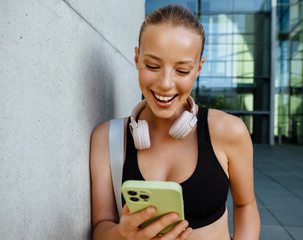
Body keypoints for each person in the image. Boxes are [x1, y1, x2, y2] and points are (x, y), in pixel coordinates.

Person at [90, 4, 260, 240]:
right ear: (137, 58)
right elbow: (101, 225)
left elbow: (246, 205)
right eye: (152, 66)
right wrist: (121, 235)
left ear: (198, 68)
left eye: (182, 71)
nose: (165, 84)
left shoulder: (229, 131)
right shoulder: (107, 139)